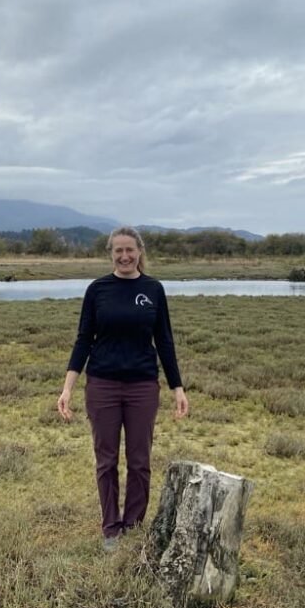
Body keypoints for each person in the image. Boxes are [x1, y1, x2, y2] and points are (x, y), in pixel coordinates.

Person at [58, 226, 188, 552]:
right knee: (106, 461)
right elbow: (83, 340)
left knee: (140, 461)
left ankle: (133, 526)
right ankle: (111, 530)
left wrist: (177, 387)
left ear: (140, 252)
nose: (125, 256)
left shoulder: (153, 289)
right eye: (118, 250)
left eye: (130, 250)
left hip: (143, 386)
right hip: (102, 384)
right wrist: (67, 388)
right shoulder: (97, 289)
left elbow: (165, 341)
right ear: (111, 253)